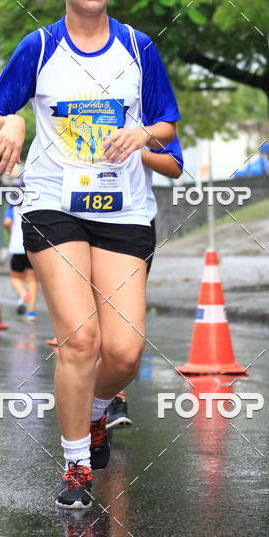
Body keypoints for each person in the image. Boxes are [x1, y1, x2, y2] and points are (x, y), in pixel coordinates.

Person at [0, 0, 180, 509]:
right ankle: (74, 469)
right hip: (53, 205)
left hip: (124, 208)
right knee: (81, 339)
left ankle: (95, 412)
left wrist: (146, 132)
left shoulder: (139, 48)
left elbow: (167, 124)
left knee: (123, 352)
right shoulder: (39, 47)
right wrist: (11, 125)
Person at [105, 137, 184, 429]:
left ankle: (106, 399)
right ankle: (105, 400)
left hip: (132, 221)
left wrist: (137, 151)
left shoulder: (146, 101)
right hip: (74, 218)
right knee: (88, 318)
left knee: (118, 317)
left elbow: (175, 166)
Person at [3, 197, 39, 320]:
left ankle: (23, 294)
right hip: (32, 245)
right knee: (32, 279)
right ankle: (31, 312)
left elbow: (7, 223)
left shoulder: (12, 206)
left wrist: (11, 233)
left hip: (17, 246)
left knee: (15, 277)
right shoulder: (34, 203)